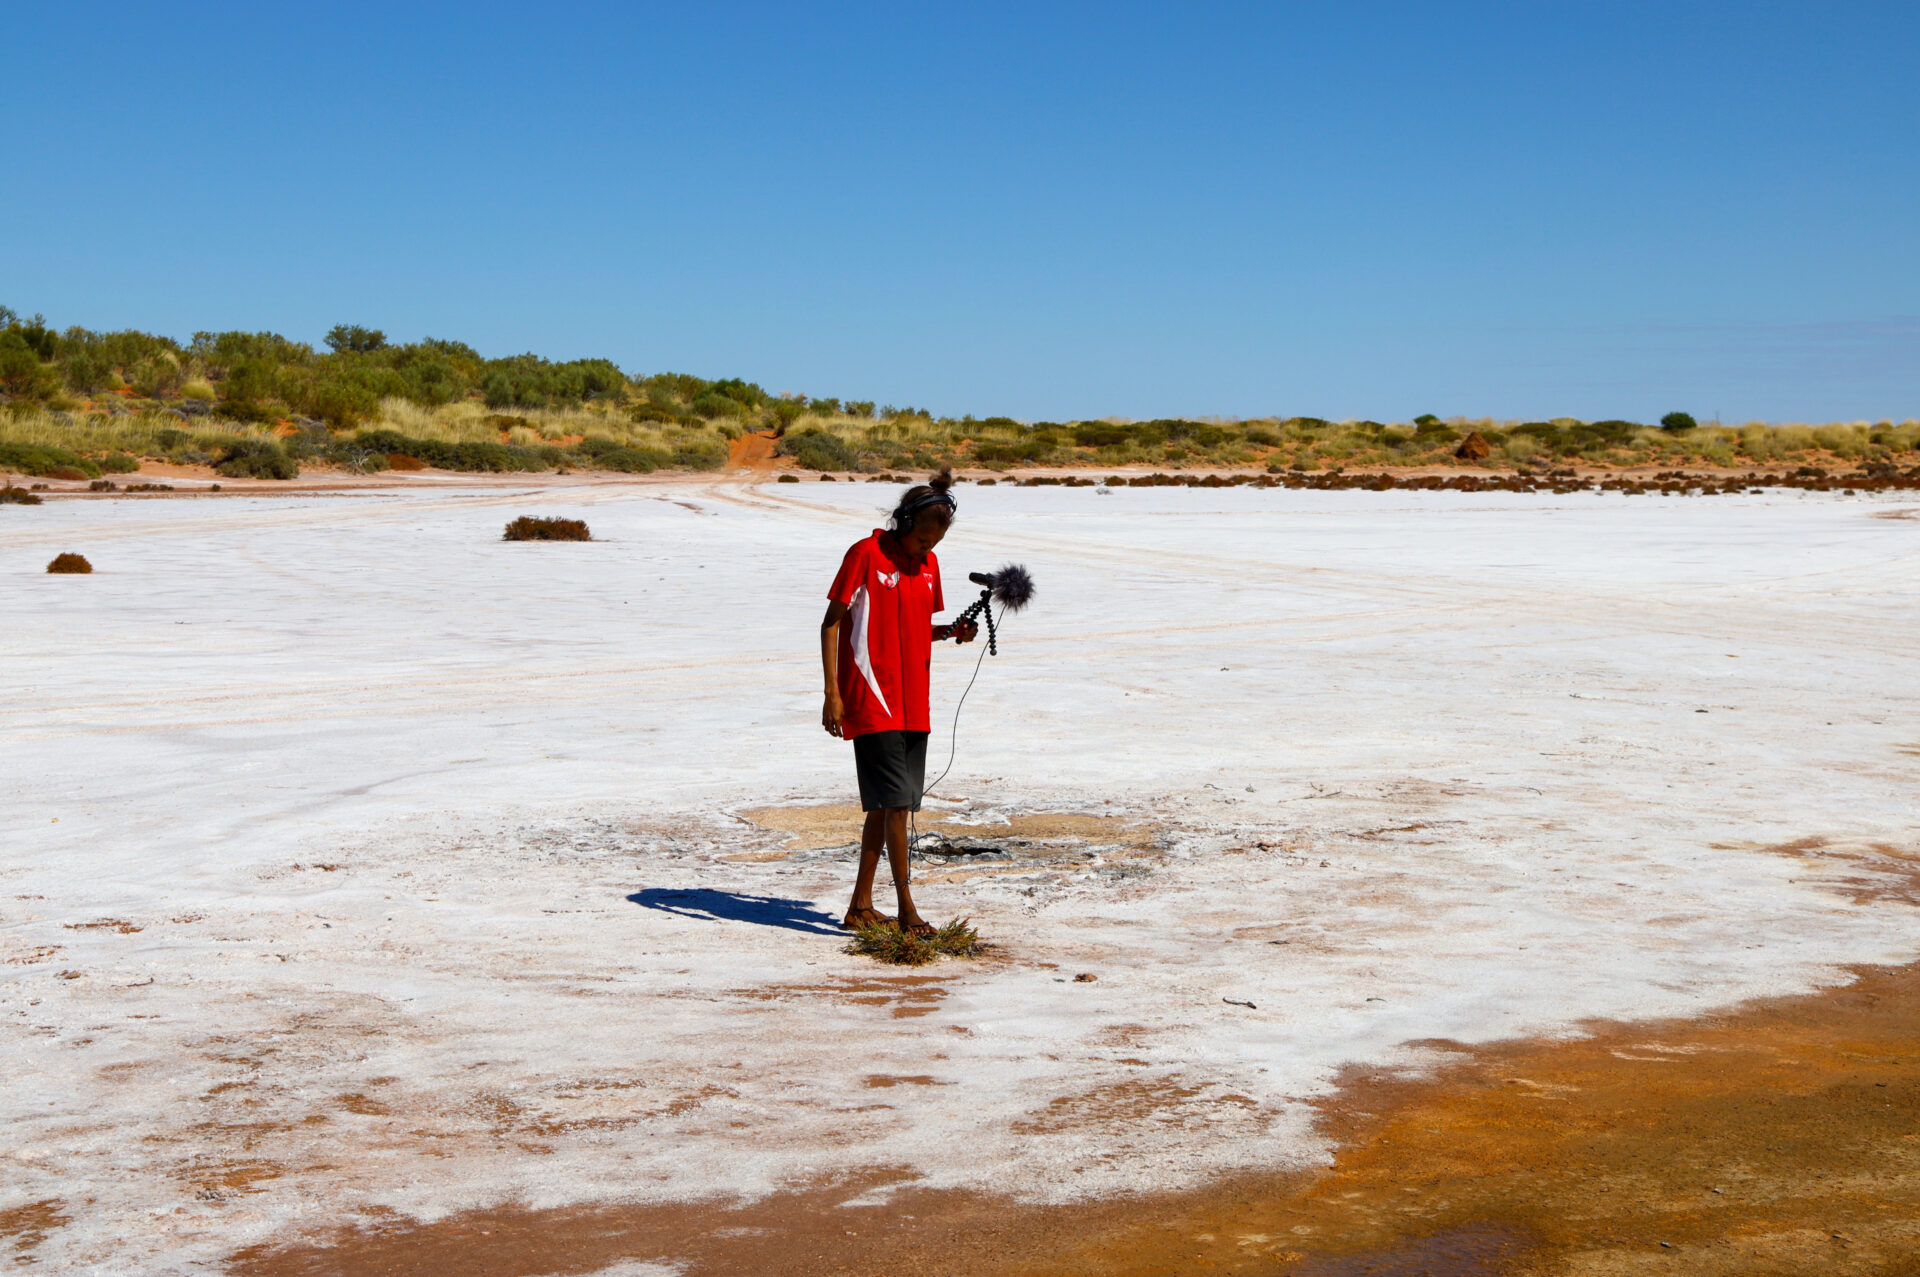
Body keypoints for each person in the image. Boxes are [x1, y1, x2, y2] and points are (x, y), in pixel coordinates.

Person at [819, 468, 978, 935]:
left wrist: (950, 633)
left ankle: (860, 907)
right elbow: (831, 623)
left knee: (887, 806)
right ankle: (907, 907)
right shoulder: (865, 554)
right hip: (871, 698)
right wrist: (833, 692)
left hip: (915, 704)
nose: (927, 548)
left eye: (936, 541)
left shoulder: (929, 567)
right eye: (923, 538)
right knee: (898, 806)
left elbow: (913, 629)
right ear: (904, 523)